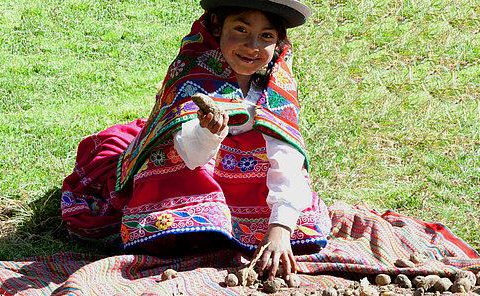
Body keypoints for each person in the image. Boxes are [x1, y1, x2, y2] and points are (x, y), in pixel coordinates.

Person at [61, 0, 331, 280]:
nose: (252, 45)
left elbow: (286, 161)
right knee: (174, 185)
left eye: (266, 36)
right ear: (216, 26)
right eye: (240, 29)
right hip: (194, 173)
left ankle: (249, 228)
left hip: (249, 185)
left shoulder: (275, 89)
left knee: (296, 212)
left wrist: (280, 229)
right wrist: (208, 131)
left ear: (278, 43)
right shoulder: (191, 76)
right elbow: (189, 156)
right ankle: (196, 227)